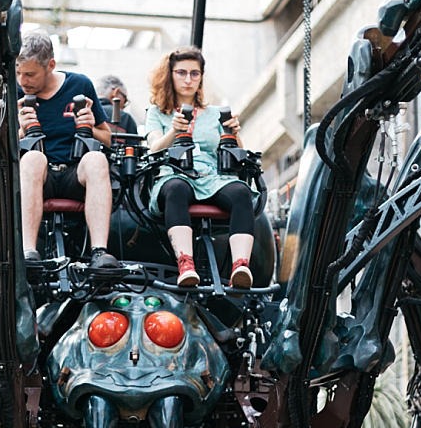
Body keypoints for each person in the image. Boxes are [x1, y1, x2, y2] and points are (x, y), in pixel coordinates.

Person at [143, 46, 256, 288]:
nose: (188, 79)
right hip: (174, 172)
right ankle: (186, 264)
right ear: (170, 75)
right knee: (177, 188)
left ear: (201, 77)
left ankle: (241, 266)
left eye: (194, 74)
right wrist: (175, 131)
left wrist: (235, 133)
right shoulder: (157, 113)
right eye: (181, 72)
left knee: (241, 192)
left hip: (213, 175)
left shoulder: (215, 113)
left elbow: (237, 153)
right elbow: (153, 149)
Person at [15, 32, 119, 270]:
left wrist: (91, 125)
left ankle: (99, 252)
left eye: (30, 74)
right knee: (32, 158)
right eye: (18, 73)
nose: (23, 81)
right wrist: (20, 131)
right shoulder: (17, 91)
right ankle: (28, 251)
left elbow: (108, 139)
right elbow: (1, 148)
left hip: (74, 174)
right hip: (40, 176)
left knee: (96, 159)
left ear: (50, 65)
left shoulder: (79, 84)